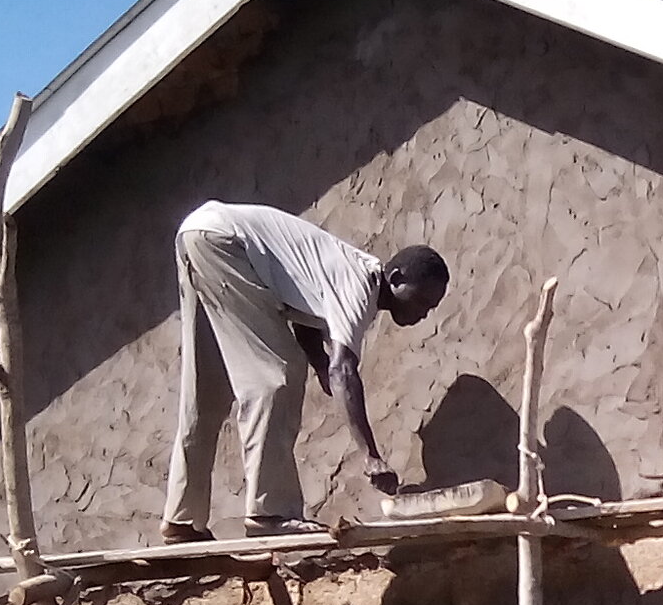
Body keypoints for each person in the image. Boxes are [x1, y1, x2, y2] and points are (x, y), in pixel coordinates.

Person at [161, 201, 450, 544]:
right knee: (278, 375)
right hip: (228, 245)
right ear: (397, 278)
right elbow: (344, 369)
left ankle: (182, 520)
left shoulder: (346, 274)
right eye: (422, 301)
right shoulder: (361, 285)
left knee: (207, 392)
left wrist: (318, 364)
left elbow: (306, 320)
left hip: (201, 235)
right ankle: (271, 512)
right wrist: (371, 456)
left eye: (431, 308)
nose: (424, 313)